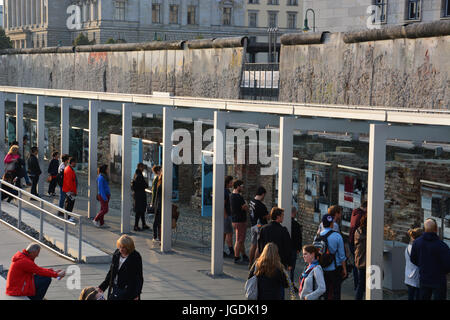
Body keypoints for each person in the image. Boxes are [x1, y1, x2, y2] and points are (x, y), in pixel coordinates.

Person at [410, 218, 450, 300]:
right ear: (436, 230)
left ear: (424, 229)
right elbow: (448, 265)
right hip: (439, 279)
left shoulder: (417, 243)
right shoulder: (443, 246)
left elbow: (413, 259)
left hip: (424, 278)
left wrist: (422, 265)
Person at [97, 235, 143, 300]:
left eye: (124, 247)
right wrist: (102, 286)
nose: (121, 249)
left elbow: (138, 278)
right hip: (115, 288)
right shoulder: (117, 254)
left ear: (129, 247)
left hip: (128, 291)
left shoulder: (135, 257)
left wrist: (136, 294)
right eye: (120, 246)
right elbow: (111, 272)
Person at [318, 214, 347, 300]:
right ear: (332, 224)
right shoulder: (337, 236)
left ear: (323, 224)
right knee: (336, 292)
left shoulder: (318, 236)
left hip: (322, 267)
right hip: (335, 268)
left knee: (325, 291)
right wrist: (344, 269)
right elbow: (342, 255)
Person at [248, 186, 269, 266]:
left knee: (253, 245)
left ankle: (250, 263)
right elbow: (266, 216)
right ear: (263, 194)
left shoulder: (252, 201)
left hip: (253, 225)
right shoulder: (261, 205)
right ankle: (256, 265)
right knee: (259, 246)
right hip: (260, 226)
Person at [230, 180, 250, 265]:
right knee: (239, 240)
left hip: (234, 220)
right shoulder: (239, 197)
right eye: (241, 186)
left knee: (241, 240)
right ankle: (236, 257)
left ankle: (244, 255)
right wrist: (246, 204)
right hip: (240, 220)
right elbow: (245, 207)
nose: (242, 187)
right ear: (237, 186)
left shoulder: (231, 195)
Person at [349, 200, 367, 290]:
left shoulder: (355, 213)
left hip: (352, 241)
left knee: (357, 263)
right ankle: (359, 285)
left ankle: (358, 285)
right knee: (358, 265)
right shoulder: (361, 216)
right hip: (356, 244)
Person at [404, 227, 423, 300]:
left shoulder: (408, 247)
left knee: (410, 296)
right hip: (416, 277)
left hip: (408, 276)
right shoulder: (416, 249)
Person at [132, 163, 150, 232]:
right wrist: (145, 184)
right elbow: (144, 185)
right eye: (142, 168)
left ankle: (144, 224)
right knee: (139, 211)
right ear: (140, 167)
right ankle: (136, 226)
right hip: (140, 195)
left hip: (138, 195)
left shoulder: (136, 174)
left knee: (141, 211)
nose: (143, 169)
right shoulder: (139, 176)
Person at [354, 215, 367, 300]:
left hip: (361, 260)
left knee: (362, 284)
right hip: (362, 261)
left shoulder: (358, 231)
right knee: (361, 284)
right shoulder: (361, 232)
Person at [62, 157, 77, 222]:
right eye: (75, 162)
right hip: (69, 190)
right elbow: (69, 182)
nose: (76, 164)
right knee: (69, 203)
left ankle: (68, 216)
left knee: (69, 202)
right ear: (72, 162)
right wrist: (72, 191)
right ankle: (67, 217)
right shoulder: (69, 170)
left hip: (68, 189)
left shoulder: (68, 169)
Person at [290, 207, 303, 283]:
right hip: (293, 249)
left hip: (286, 248)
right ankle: (290, 282)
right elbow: (298, 238)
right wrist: (299, 248)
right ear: (294, 213)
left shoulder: (284, 222)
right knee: (292, 267)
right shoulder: (296, 225)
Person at [223, 175, 234, 258]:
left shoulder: (227, 191)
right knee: (229, 234)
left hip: (228, 215)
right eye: (231, 182)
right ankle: (231, 252)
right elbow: (223, 203)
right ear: (227, 183)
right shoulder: (225, 192)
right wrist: (225, 215)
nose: (232, 183)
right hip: (227, 216)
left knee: (224, 233)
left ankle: (221, 250)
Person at [150, 165, 162, 241]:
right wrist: (153, 202)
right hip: (157, 203)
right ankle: (155, 236)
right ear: (158, 171)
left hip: (158, 202)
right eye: (161, 170)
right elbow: (154, 192)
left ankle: (158, 235)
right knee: (156, 220)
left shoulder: (159, 179)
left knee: (158, 220)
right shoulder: (157, 179)